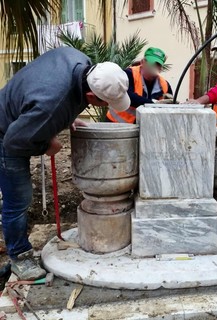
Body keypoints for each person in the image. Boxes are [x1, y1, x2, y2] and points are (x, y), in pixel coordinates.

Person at [0, 46, 130, 280]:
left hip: (19, 113)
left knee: (14, 201)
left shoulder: (79, 60)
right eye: (106, 103)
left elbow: (58, 93)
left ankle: (12, 235)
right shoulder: (50, 106)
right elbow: (14, 141)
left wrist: (68, 118)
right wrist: (46, 144)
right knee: (18, 198)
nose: (107, 107)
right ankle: (19, 255)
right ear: (92, 96)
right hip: (5, 133)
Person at [106, 47, 173, 123]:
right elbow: (128, 96)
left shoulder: (164, 85)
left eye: (157, 65)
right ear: (142, 62)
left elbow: (169, 109)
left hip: (143, 127)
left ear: (161, 68)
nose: (153, 67)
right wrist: (154, 103)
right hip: (115, 124)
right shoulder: (129, 74)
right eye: (151, 63)